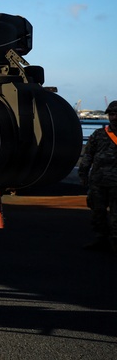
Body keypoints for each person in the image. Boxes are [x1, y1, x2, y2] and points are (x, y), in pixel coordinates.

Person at [78, 100, 117, 252]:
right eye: (111, 114)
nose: (114, 117)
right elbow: (88, 155)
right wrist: (83, 173)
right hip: (98, 181)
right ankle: (101, 239)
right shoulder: (98, 134)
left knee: (115, 216)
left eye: (116, 114)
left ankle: (115, 241)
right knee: (97, 212)